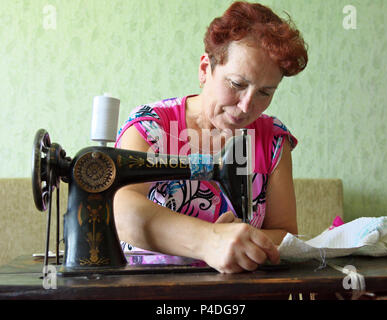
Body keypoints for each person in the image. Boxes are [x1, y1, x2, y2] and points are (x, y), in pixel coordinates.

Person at [114, 1, 308, 273]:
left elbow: (287, 237)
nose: (246, 107)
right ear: (205, 69)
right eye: (237, 84)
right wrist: (208, 240)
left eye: (265, 92)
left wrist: (237, 241)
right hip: (151, 288)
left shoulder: (272, 139)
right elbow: (121, 213)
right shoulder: (151, 126)